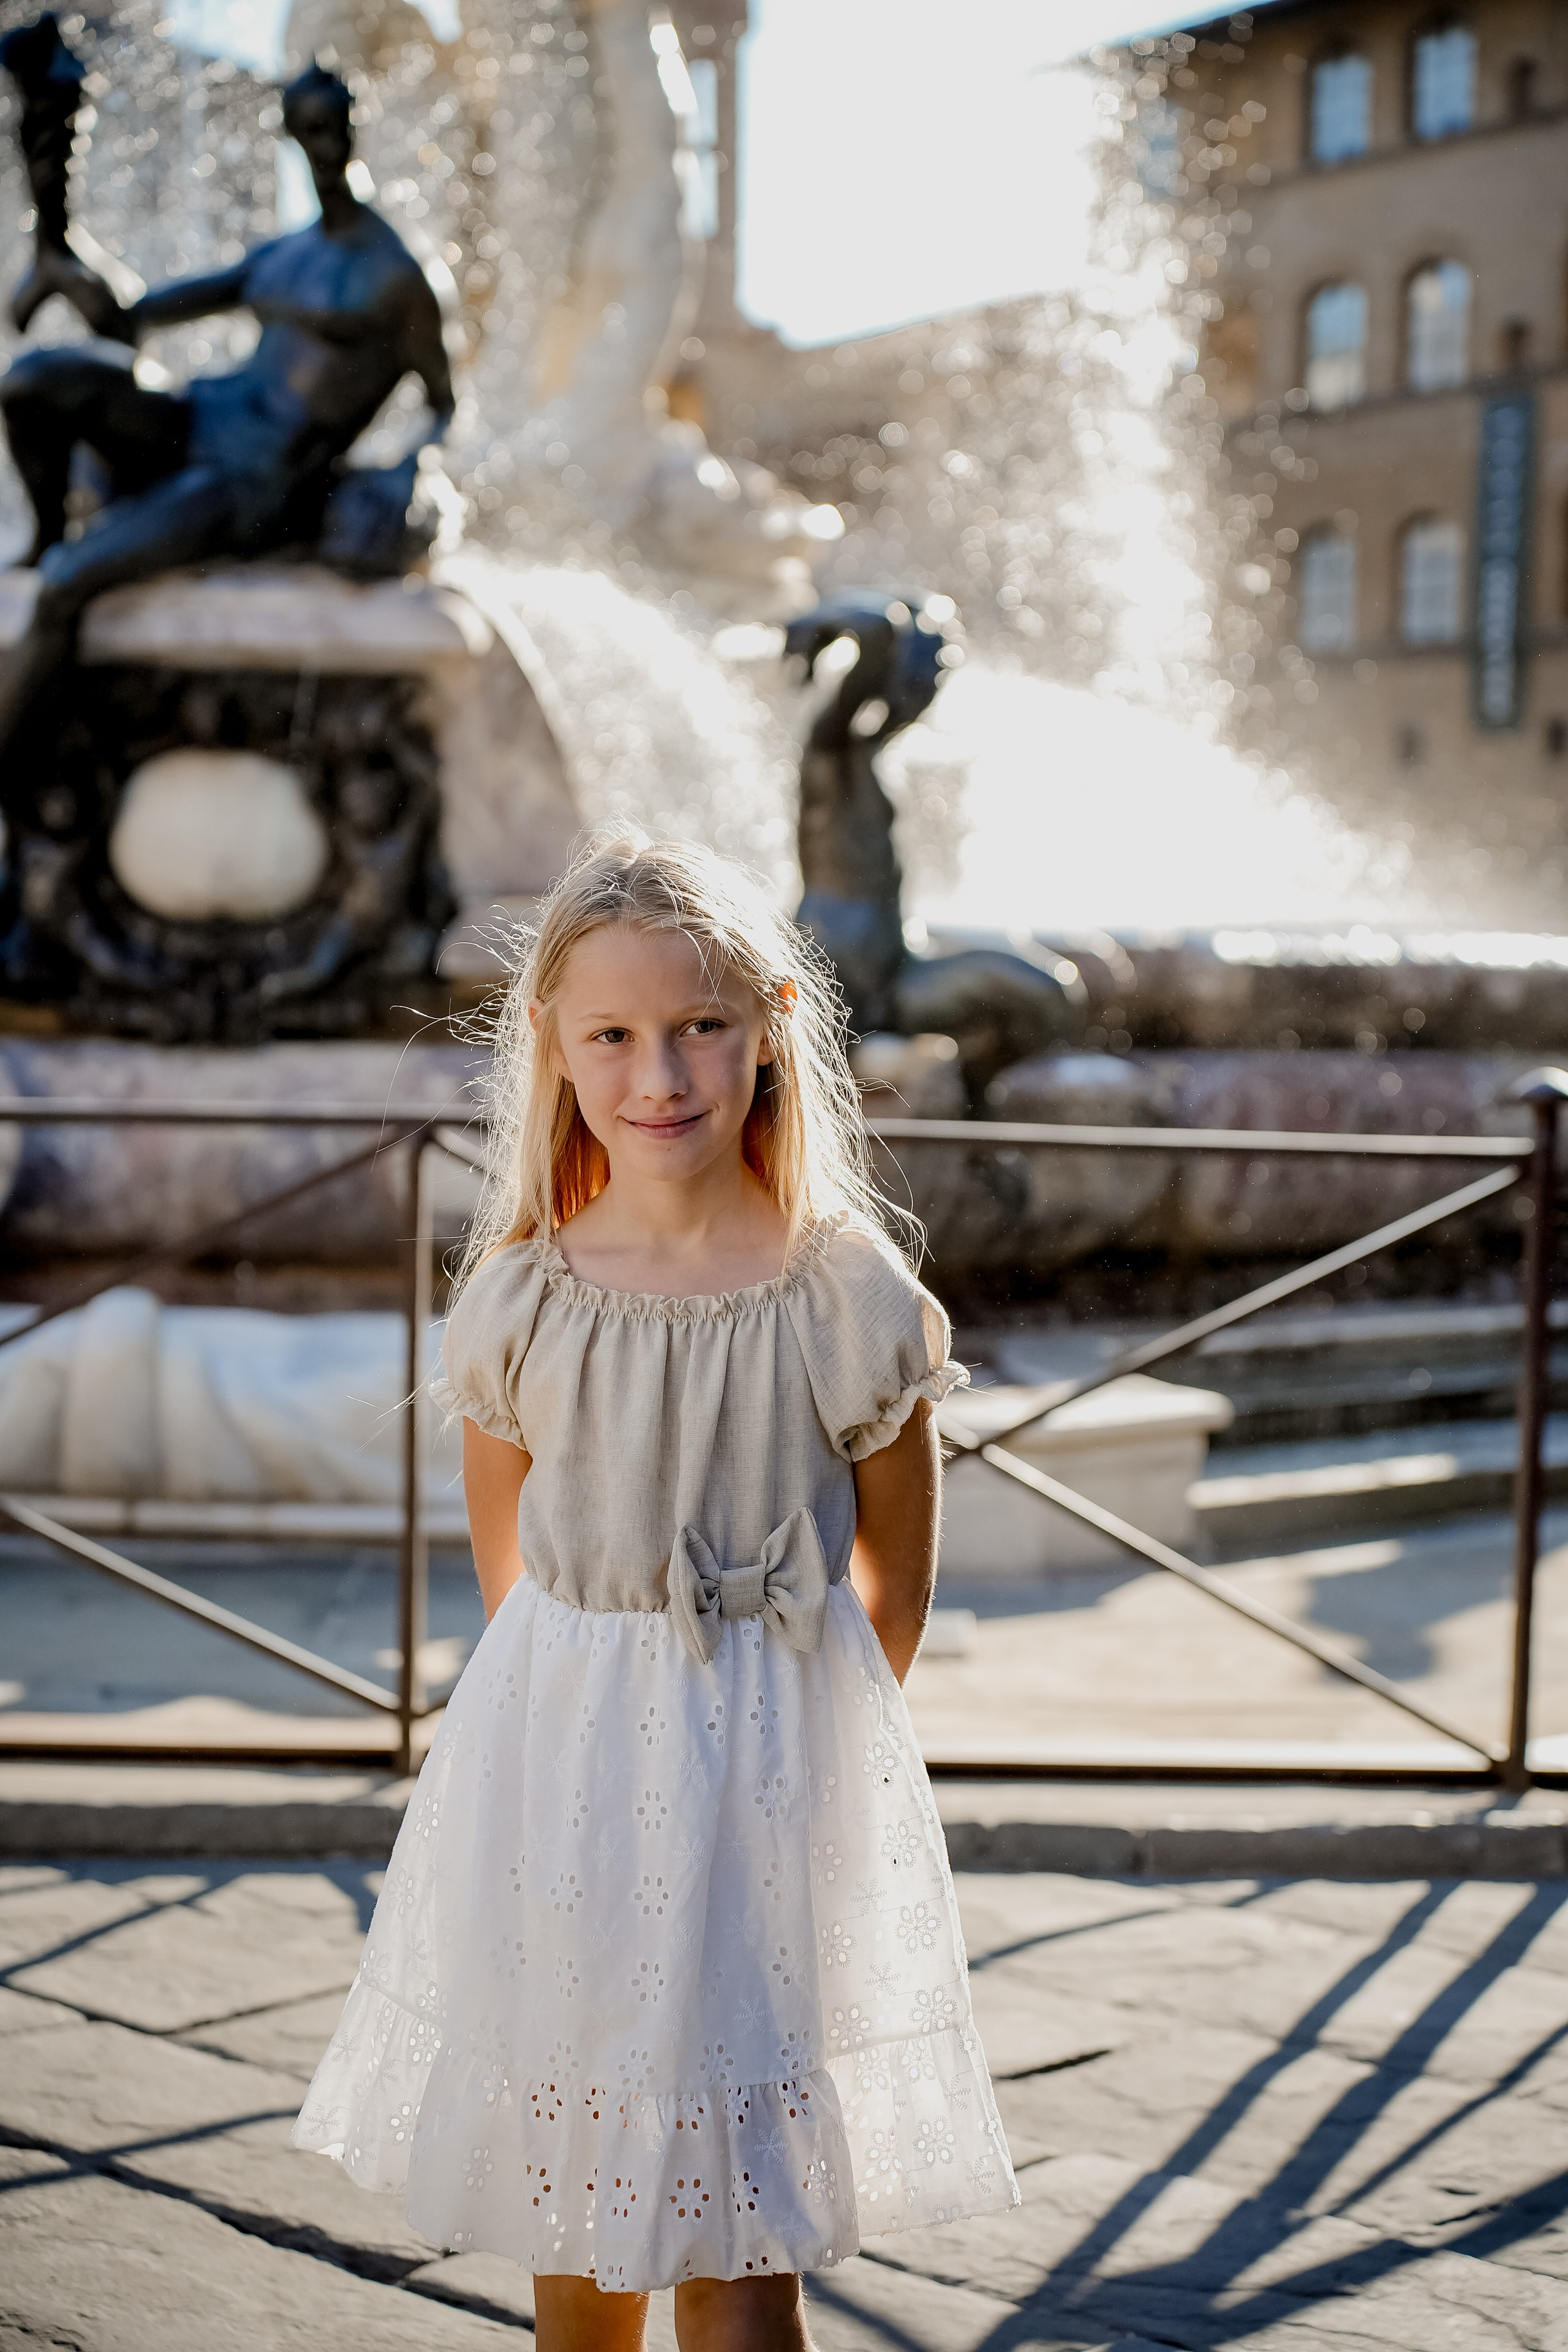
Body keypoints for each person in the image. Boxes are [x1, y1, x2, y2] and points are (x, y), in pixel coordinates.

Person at [292, 830, 1019, 2349]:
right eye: (612, 1033)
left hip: (767, 1780)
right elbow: (513, 1573)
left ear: (766, 1026)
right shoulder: (523, 1296)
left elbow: (892, 1582)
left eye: (698, 1025)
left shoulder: (846, 1293)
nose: (661, 1072)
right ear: (553, 1047)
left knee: (739, 2224)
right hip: (563, 1780)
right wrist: (606, 1705)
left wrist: (787, 1727)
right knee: (578, 2193)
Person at [0, 59, 453, 759]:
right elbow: (131, 320)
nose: (325, 148)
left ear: (354, 129)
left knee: (67, 587)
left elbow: (444, 405)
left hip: (252, 483)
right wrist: (63, 242)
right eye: (309, 133)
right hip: (194, 421)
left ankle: (11, 794)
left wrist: (412, 468)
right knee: (32, 381)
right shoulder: (280, 255)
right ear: (292, 138)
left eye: (334, 130)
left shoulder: (397, 277)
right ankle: (45, 532)